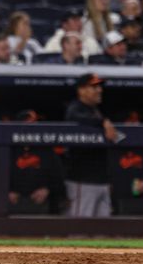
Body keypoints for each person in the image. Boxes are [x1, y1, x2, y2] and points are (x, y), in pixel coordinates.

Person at [65, 73, 118, 217]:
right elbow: (75, 118)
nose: (99, 90)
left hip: (102, 181)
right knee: (79, 230)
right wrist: (102, 122)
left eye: (99, 87)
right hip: (82, 181)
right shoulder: (76, 107)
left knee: (102, 233)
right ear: (81, 90)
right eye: (94, 87)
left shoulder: (96, 111)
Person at [9, 109, 66, 214]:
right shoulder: (8, 149)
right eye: (28, 124)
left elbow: (59, 179)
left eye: (34, 124)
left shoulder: (46, 149)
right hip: (12, 204)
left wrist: (47, 189)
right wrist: (7, 190)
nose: (32, 128)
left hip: (42, 204)